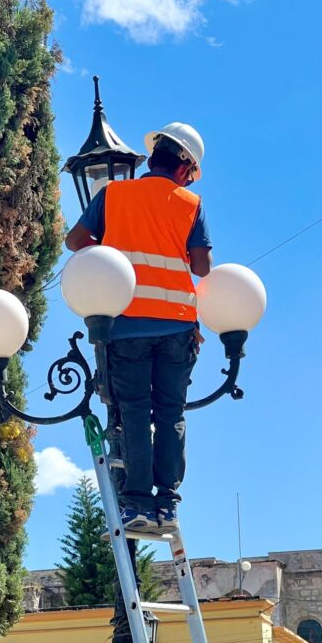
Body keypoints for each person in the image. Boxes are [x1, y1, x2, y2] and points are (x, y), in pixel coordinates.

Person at [65, 123, 212, 532]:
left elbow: (75, 241)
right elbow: (202, 267)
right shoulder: (191, 204)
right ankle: (167, 503)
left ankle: (136, 503)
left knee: (132, 410)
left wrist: (110, 254)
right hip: (177, 329)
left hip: (125, 324)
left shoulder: (113, 194)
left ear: (153, 158)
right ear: (184, 167)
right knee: (170, 411)